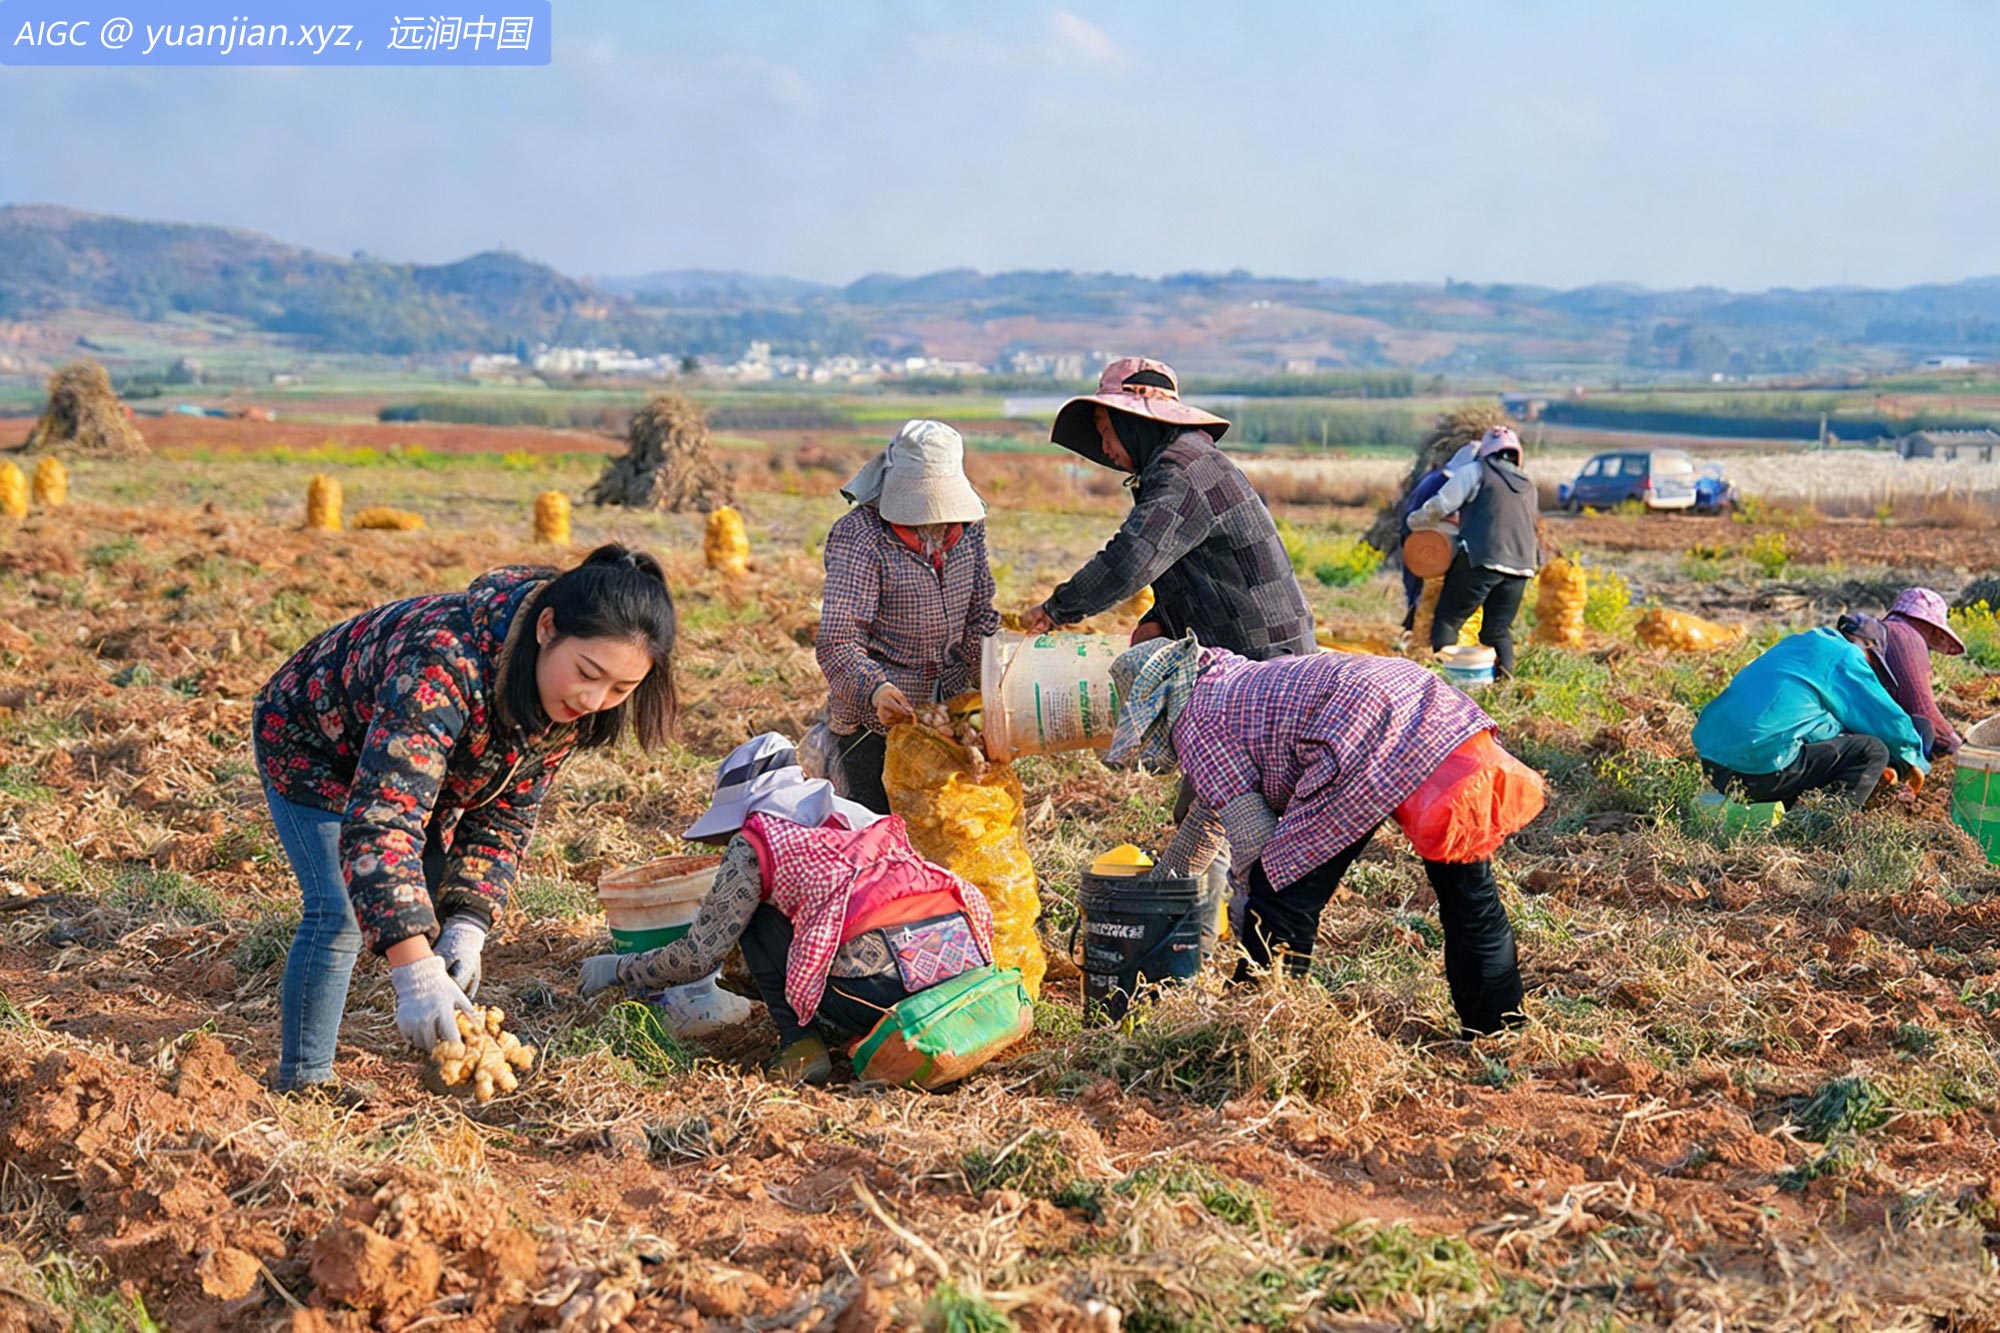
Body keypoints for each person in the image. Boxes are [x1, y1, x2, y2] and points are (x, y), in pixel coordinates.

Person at [253, 544, 679, 1096]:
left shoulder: (565, 698)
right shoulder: (442, 659)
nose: (596, 699)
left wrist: (468, 923)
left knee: (425, 912)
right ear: (547, 628)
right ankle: (305, 1081)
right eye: (589, 674)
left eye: (622, 689)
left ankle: (438, 1048)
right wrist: (413, 970)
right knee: (340, 913)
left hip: (430, 767)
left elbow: (506, 811)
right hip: (315, 745)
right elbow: (384, 818)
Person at [1103, 634, 1544, 1037]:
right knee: (1468, 892)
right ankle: (1498, 1029)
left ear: (1155, 707)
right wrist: (1163, 885)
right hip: (1423, 703)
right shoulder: (1228, 679)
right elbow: (1208, 817)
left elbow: (1254, 841)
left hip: (1356, 730)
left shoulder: (1196, 721)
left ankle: (1261, 1031)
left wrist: (1248, 906)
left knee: (1280, 899)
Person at [1020, 358, 1316, 955]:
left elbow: (1132, 557)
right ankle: (1190, 942)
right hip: (1246, 655)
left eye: (1106, 432)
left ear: (1136, 423)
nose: (1104, 446)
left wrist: (1059, 609)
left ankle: (1233, 948)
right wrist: (1161, 618)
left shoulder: (1183, 470)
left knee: (1228, 811)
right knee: (1208, 808)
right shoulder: (1183, 468)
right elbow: (1178, 563)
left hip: (1259, 662)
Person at [578, 734, 998, 1084]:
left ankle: (799, 1043)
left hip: (876, 989)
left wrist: (618, 968)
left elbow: (699, 956)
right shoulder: (860, 816)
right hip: (958, 963)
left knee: (756, 916)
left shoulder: (759, 839)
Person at [817, 419, 999, 814]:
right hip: (877, 723)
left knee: (948, 834)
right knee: (881, 836)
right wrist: (875, 690)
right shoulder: (861, 536)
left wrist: (996, 679)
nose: (935, 519)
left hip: (950, 712)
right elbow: (838, 641)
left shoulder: (968, 529)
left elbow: (980, 616)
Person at [1692, 620, 1929, 809]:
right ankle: (1827, 825)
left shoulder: (1795, 646)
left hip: (1714, 767)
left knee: (1802, 749)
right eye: (1873, 664)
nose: (1870, 671)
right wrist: (1912, 760)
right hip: (1761, 771)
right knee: (1872, 750)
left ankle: (1781, 808)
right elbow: (1886, 719)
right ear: (1865, 646)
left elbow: (1800, 721)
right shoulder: (1845, 655)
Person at [1408, 426, 1541, 676]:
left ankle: (1444, 683)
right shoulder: (1528, 484)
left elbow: (1442, 504)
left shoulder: (1476, 471)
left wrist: (1415, 521)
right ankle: (1506, 684)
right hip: (1522, 567)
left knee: (1448, 620)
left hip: (1482, 559)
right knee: (1497, 630)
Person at [1394, 441, 1476, 631]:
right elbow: (1429, 512)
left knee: (1421, 592)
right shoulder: (1443, 483)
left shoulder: (1433, 477)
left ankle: (1416, 629)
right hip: (1427, 543)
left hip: (1420, 541)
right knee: (1424, 595)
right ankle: (1418, 632)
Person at [1875, 588, 1966, 758]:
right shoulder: (1906, 638)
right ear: (1932, 627)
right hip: (1868, 743)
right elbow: (1923, 710)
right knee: (1925, 730)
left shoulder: (1881, 634)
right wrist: (1960, 749)